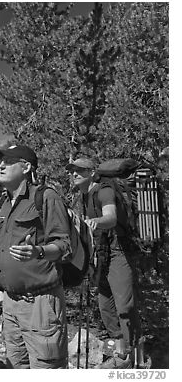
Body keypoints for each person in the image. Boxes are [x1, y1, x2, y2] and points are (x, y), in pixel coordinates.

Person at [0, 145, 71, 369]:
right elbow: (0, 252)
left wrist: (39, 252)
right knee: (16, 366)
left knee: (46, 367)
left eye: (9, 161)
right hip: (10, 305)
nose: (1, 165)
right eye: (0, 161)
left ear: (26, 167)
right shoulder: (4, 204)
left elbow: (63, 245)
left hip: (40, 305)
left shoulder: (45, 197)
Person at [66, 157, 141, 369]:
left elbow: (111, 217)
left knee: (125, 306)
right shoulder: (83, 195)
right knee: (106, 306)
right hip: (101, 253)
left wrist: (96, 222)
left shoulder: (104, 191)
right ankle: (120, 353)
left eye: (79, 170)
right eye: (72, 171)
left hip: (118, 251)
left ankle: (137, 358)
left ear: (91, 172)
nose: (74, 174)